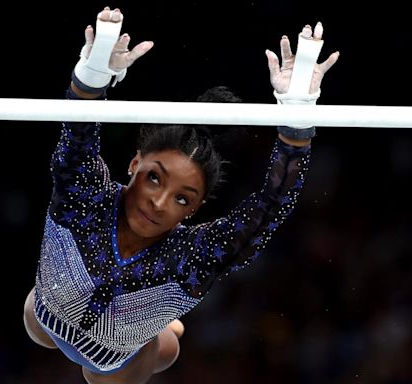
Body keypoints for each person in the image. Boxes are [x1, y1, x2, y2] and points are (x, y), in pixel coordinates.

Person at [23, 6, 339, 384]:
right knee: (42, 336)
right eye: (154, 178)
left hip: (115, 363)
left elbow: (270, 206)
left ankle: (166, 333)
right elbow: (77, 134)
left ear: (196, 210)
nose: (159, 202)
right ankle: (165, 327)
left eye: (182, 198)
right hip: (43, 316)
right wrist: (92, 76)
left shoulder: (195, 257)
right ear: (134, 164)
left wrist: (296, 121)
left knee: (154, 353)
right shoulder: (86, 198)